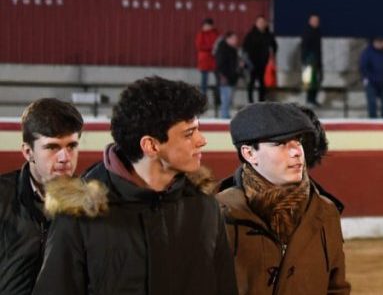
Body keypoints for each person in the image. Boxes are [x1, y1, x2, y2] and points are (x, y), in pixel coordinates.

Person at [34, 76, 237, 295]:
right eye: (189, 133)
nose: (202, 140)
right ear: (150, 145)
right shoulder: (79, 214)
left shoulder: (205, 206)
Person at [217, 103, 350, 294]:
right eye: (280, 143)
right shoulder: (217, 214)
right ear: (249, 153)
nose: (297, 151)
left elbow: (337, 289)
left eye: (298, 140)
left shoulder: (326, 212)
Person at [0, 98, 82, 294]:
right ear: (28, 152)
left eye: (71, 146)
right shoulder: (3, 197)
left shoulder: (92, 205)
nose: (65, 158)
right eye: (53, 147)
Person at [242, 15, 278, 103]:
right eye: (259, 22)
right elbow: (245, 49)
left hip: (264, 64)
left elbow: (274, 47)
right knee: (251, 83)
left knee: (263, 84)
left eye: (263, 22)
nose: (261, 24)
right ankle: (250, 102)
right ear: (256, 23)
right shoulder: (250, 35)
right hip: (252, 64)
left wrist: (271, 57)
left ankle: (261, 102)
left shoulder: (269, 35)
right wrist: (246, 61)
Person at [359, 37, 383, 118]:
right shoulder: (367, 52)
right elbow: (363, 67)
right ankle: (373, 122)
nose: (380, 44)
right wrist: (365, 78)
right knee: (372, 103)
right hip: (371, 82)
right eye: (378, 42)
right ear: (374, 42)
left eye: (382, 42)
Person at [215, 31, 242, 119]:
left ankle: (225, 115)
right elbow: (220, 64)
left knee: (229, 98)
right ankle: (224, 116)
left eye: (236, 39)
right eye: (234, 39)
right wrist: (224, 75)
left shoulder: (233, 50)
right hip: (225, 77)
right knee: (225, 98)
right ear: (228, 39)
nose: (236, 41)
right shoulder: (222, 49)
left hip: (232, 77)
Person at [195, 17, 220, 106]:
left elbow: (217, 45)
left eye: (208, 25)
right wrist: (210, 47)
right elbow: (199, 46)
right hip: (204, 59)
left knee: (218, 80)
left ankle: (217, 100)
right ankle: (203, 100)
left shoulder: (215, 34)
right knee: (204, 82)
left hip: (213, 59)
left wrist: (211, 48)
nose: (206, 27)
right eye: (205, 25)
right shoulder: (201, 34)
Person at [300, 13, 324, 106]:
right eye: (314, 20)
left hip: (317, 60)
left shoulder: (318, 32)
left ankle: (313, 99)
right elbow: (304, 47)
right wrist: (305, 60)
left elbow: (318, 48)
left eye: (317, 21)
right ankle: (309, 100)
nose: (316, 22)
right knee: (309, 81)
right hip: (309, 60)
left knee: (317, 80)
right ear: (310, 21)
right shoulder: (307, 32)